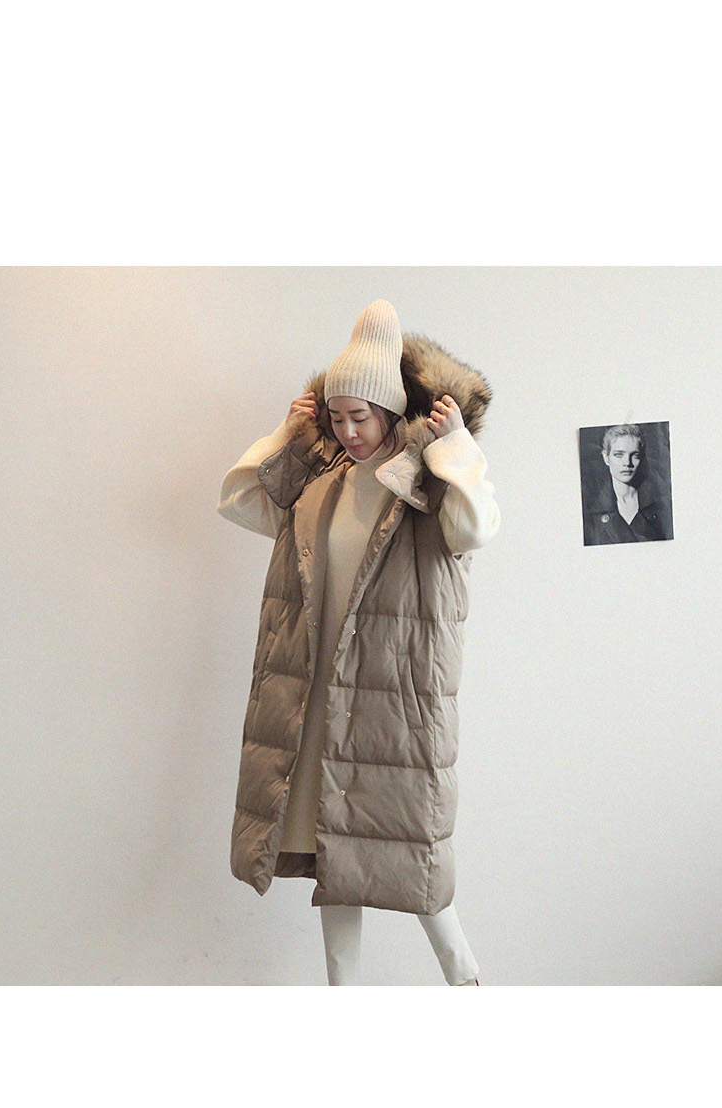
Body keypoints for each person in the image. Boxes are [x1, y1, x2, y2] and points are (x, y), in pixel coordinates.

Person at [222, 289, 498, 976]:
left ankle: (464, 974)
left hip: (392, 699)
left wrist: (457, 445)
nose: (348, 431)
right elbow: (239, 499)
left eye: (361, 416)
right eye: (338, 416)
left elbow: (477, 527)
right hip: (316, 692)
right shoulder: (320, 482)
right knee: (331, 850)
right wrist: (287, 434)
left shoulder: (426, 483)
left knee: (411, 847)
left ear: (389, 411)